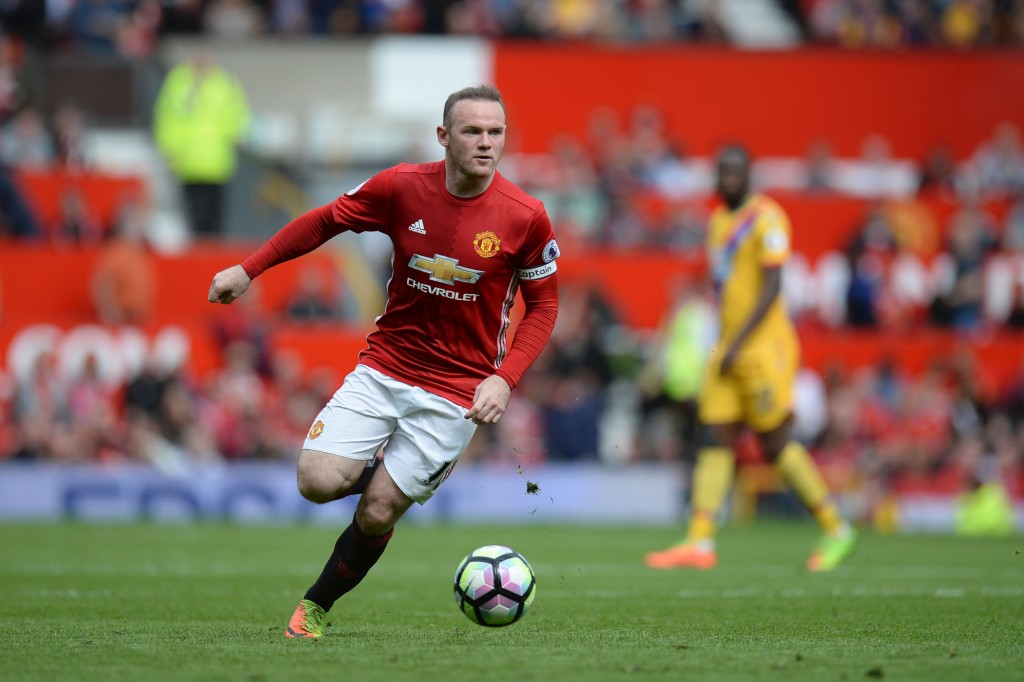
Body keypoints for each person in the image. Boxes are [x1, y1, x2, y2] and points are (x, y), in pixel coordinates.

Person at [206, 85, 560, 638]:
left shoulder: (526, 217)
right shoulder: (400, 187)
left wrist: (505, 377)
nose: (486, 143)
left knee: (376, 514)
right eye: (472, 131)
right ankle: (384, 480)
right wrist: (248, 270)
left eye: (495, 132)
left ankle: (314, 608)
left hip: (457, 392)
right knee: (317, 481)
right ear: (444, 137)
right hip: (386, 366)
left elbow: (545, 306)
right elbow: (325, 221)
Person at [644, 145, 857, 572]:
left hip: (764, 350)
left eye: (735, 174)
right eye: (721, 173)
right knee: (713, 439)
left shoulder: (768, 218)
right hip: (728, 348)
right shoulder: (719, 222)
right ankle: (700, 542)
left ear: (750, 176)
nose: (727, 181)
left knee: (775, 445)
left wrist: (738, 341)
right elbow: (726, 287)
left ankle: (836, 528)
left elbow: (773, 286)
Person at [153, 49, 250, 237]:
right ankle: (199, 254)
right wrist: (169, 148)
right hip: (188, 162)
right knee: (195, 218)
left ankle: (211, 256)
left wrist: (238, 135)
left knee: (215, 217)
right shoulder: (178, 82)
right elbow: (166, 117)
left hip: (217, 162)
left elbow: (238, 113)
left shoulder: (223, 82)